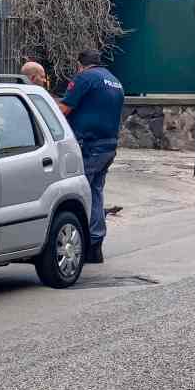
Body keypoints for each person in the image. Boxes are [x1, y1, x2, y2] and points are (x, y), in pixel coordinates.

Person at [58, 49, 124, 264]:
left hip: (88, 145)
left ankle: (83, 243)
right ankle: (95, 245)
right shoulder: (114, 81)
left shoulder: (85, 78)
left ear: (81, 65)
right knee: (95, 193)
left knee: (80, 194)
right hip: (108, 146)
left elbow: (65, 109)